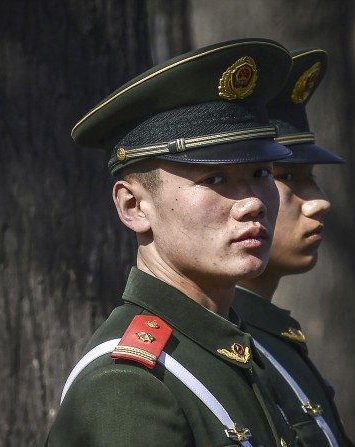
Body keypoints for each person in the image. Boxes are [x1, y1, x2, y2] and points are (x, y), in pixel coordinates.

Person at [47, 39, 298, 446]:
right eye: (214, 179)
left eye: (261, 173)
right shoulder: (129, 385)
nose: (252, 202)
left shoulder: (243, 347)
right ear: (133, 207)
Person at [234, 49, 354, 447]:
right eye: (286, 176)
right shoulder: (225, 346)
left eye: (312, 177)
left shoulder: (272, 337)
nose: (319, 200)